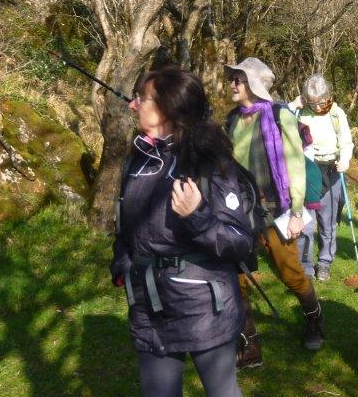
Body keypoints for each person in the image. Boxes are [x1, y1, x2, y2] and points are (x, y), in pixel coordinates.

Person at [110, 67, 250, 397]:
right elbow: (127, 227)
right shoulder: (138, 158)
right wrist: (123, 265)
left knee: (222, 392)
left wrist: (197, 217)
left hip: (204, 307)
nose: (133, 105)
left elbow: (240, 241)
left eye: (142, 98)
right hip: (150, 306)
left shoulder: (209, 163)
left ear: (167, 108)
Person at [225, 57, 325, 368]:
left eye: (238, 79)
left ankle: (314, 318)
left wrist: (296, 211)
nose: (232, 84)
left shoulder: (280, 116)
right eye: (232, 78)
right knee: (237, 278)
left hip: (275, 212)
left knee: (290, 273)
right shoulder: (231, 120)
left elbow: (295, 166)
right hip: (240, 213)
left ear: (253, 84)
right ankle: (249, 344)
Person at [297, 74, 353, 281]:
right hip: (307, 171)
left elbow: (346, 142)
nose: (318, 106)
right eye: (313, 103)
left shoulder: (337, 114)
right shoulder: (300, 113)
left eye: (321, 101)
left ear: (327, 96)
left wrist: (345, 160)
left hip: (331, 170)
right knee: (306, 223)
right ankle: (305, 265)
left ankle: (324, 262)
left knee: (327, 222)